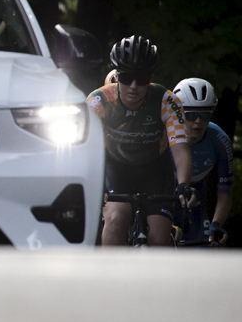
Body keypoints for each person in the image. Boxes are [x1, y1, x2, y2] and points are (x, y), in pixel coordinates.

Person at [87, 35, 195, 246]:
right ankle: (109, 277)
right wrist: (93, 184)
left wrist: (183, 185)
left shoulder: (166, 100)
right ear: (116, 76)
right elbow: (89, 151)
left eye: (142, 78)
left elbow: (181, 151)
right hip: (115, 170)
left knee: (158, 236)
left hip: (155, 171)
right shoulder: (99, 101)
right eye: (126, 77)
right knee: (116, 218)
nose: (134, 86)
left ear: (151, 77)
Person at [172, 78, 233, 246]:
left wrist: (216, 225)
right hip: (163, 193)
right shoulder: (164, 135)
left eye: (205, 114)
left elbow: (225, 195)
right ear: (178, 113)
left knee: (202, 248)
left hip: (197, 197)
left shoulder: (219, 140)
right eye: (190, 114)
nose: (198, 121)